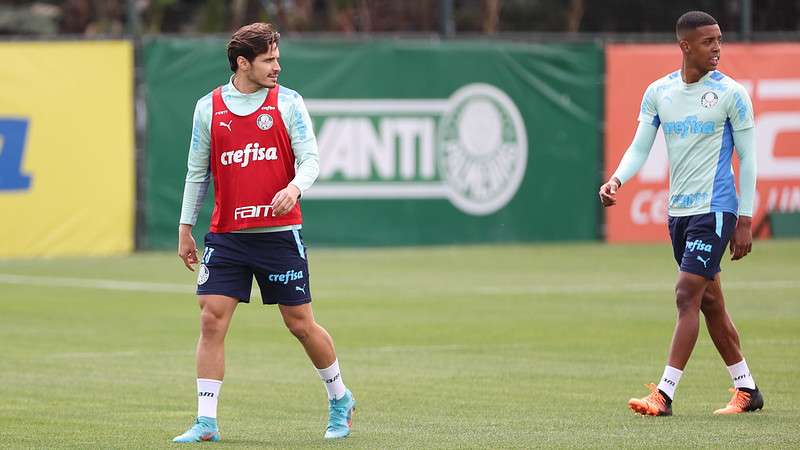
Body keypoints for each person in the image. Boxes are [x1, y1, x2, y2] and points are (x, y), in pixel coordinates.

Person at [172, 22, 355, 442]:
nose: (278, 66)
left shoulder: (289, 103)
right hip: (228, 236)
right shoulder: (209, 107)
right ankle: (205, 422)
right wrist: (185, 229)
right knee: (211, 320)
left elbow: (311, 160)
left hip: (279, 235)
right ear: (243, 63)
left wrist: (293, 188)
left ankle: (340, 397)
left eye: (277, 57)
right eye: (268, 59)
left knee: (300, 324)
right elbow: (197, 173)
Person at [599, 11, 763, 416]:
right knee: (710, 304)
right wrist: (617, 179)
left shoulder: (731, 94)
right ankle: (747, 390)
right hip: (680, 214)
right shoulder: (659, 92)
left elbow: (750, 158)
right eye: (708, 41)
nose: (717, 48)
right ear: (685, 45)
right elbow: (640, 146)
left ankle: (665, 394)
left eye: (720, 39)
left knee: (685, 293)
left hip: (717, 209)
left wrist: (744, 218)